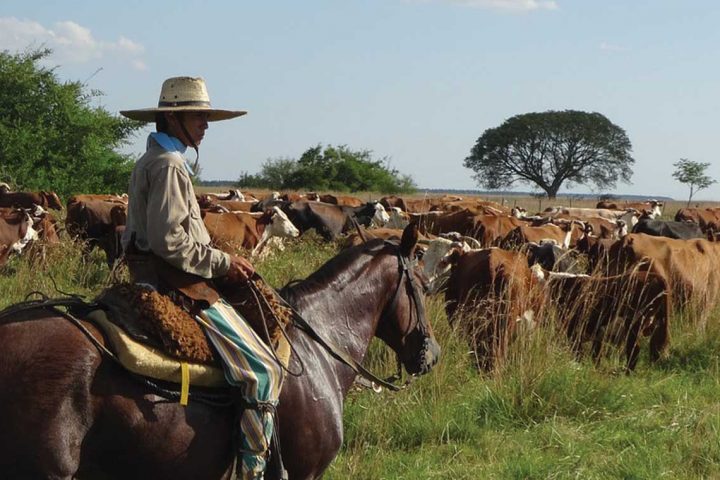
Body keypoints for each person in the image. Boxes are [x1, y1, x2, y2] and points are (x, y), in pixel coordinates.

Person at [120, 76, 283, 480]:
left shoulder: (150, 161)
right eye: (198, 116)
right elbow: (170, 242)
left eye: (207, 117)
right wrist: (224, 263)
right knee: (264, 370)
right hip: (176, 285)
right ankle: (251, 470)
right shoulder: (171, 166)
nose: (205, 125)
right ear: (172, 119)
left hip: (151, 274)